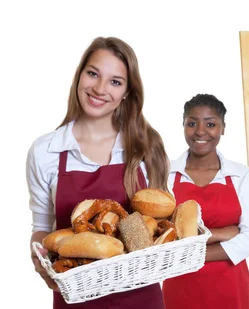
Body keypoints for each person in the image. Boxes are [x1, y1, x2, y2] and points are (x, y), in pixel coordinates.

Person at [27, 37, 169, 309]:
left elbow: (162, 224)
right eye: (93, 74)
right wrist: (38, 257)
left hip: (140, 298)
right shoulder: (46, 150)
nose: (100, 88)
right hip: (74, 297)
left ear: (128, 91)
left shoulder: (143, 147)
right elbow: (42, 229)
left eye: (115, 81)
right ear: (79, 75)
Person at [162, 94, 249, 309]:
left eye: (210, 124)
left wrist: (188, 251)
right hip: (180, 288)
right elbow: (162, 240)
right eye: (192, 123)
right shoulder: (165, 174)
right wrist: (220, 234)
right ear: (183, 126)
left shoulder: (241, 175)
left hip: (230, 288)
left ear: (223, 128)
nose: (200, 131)